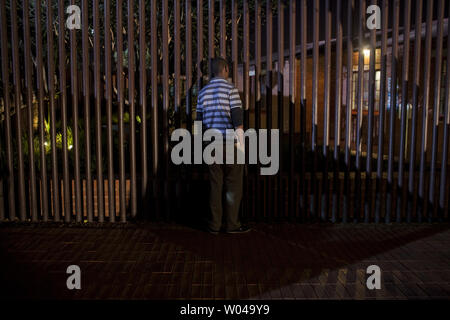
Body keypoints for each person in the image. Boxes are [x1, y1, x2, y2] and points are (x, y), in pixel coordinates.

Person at [195, 57, 251, 235]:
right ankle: (232, 224)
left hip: (210, 145)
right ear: (226, 68)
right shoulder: (231, 90)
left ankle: (214, 225)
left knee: (215, 185)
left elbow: (198, 125)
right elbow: (238, 121)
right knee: (233, 185)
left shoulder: (202, 93)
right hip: (229, 144)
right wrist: (242, 148)